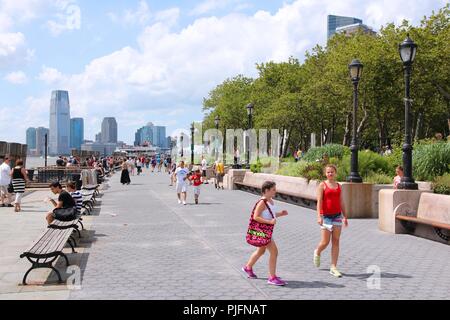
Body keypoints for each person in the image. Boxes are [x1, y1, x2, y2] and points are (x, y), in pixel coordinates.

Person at [242, 181, 288, 286]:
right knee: (274, 252)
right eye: (273, 189)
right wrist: (269, 222)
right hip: (263, 231)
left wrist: (280, 214)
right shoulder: (262, 202)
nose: (275, 191)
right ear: (266, 191)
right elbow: (256, 217)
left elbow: (269, 214)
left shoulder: (270, 201)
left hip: (266, 231)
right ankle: (272, 277)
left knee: (261, 251)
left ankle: (247, 267)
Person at [314, 164, 348, 278]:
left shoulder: (339, 185)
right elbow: (319, 201)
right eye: (328, 172)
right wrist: (319, 216)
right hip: (326, 217)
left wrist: (345, 216)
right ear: (325, 174)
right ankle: (317, 251)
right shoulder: (322, 185)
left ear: (335, 173)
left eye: (332, 172)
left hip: (337, 216)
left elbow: (341, 201)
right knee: (325, 242)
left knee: (336, 241)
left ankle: (333, 267)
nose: (330, 174)